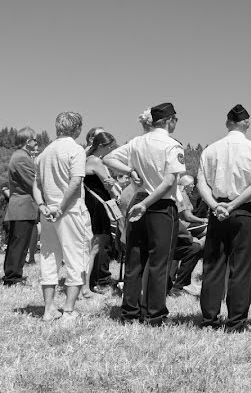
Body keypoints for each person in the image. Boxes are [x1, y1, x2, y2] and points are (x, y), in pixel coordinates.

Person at [104, 102, 186, 326]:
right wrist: (148, 202)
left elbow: (108, 159)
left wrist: (130, 171)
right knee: (159, 263)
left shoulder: (136, 142)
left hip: (138, 200)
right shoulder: (172, 145)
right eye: (176, 120)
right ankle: (154, 314)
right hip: (160, 204)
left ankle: (129, 312)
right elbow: (170, 181)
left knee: (135, 259)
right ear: (169, 120)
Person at [197, 104, 251, 331]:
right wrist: (232, 205)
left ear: (227, 123)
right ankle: (236, 320)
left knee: (213, 264)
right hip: (243, 210)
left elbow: (201, 183)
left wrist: (216, 206)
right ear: (247, 123)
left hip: (217, 209)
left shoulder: (210, 149)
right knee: (242, 267)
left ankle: (209, 318)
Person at [33, 112, 90, 321]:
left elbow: (36, 184)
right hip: (70, 210)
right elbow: (75, 182)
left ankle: (48, 308)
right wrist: (61, 207)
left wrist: (43, 205)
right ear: (77, 129)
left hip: (48, 211)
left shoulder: (44, 152)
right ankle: (68, 310)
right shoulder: (76, 150)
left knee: (49, 258)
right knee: (76, 258)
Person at [82, 131, 120, 296]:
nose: (111, 150)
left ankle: (87, 284)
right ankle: (87, 286)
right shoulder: (96, 161)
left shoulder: (87, 159)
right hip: (99, 206)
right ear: (102, 146)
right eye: (110, 147)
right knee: (95, 247)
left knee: (92, 247)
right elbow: (109, 186)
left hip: (93, 204)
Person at [3, 127, 40, 287]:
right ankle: (12, 278)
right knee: (18, 245)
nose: (37, 142)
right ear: (27, 141)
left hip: (21, 207)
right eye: (35, 139)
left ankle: (12, 275)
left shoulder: (21, 156)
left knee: (17, 244)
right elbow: (34, 182)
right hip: (22, 207)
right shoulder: (22, 158)